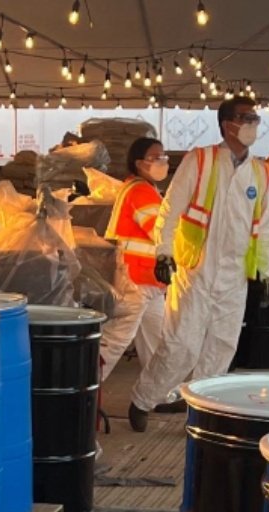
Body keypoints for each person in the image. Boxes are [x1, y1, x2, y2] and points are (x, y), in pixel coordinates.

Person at [128, 97, 269, 432]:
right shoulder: (202, 161)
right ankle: (143, 399)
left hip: (235, 276)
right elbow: (170, 209)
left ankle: (203, 412)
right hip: (195, 271)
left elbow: (267, 227)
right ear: (228, 125)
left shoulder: (261, 173)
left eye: (255, 117)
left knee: (220, 347)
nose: (254, 123)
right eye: (247, 117)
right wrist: (163, 253)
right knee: (181, 345)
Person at [100, 137, 170, 386]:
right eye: (156, 157)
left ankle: (158, 393)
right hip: (136, 278)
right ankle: (85, 388)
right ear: (139, 163)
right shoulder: (141, 191)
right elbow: (160, 232)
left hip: (148, 279)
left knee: (158, 340)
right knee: (117, 339)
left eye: (164, 156)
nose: (163, 161)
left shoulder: (141, 188)